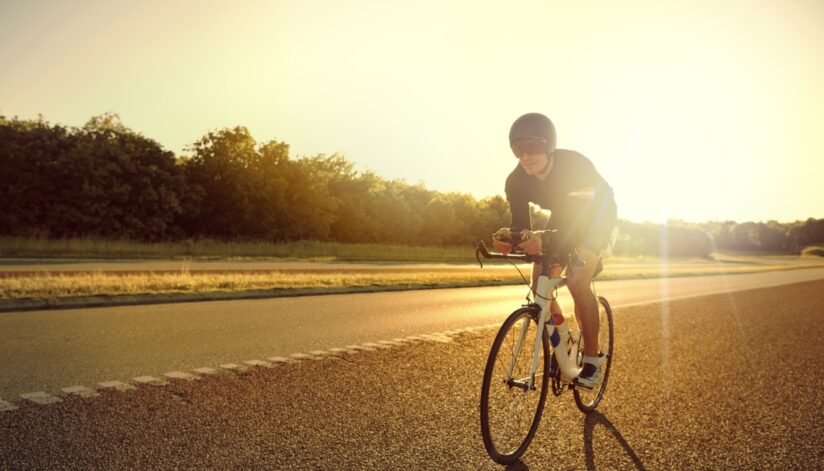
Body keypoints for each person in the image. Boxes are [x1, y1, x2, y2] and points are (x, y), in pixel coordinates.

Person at [491, 112, 617, 389]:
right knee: (539, 283)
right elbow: (522, 226)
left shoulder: (576, 166)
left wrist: (544, 240)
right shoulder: (516, 181)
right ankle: (564, 339)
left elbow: (579, 224)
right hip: (565, 215)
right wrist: (509, 239)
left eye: (533, 147)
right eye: (518, 149)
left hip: (596, 215)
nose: (525, 156)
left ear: (548, 146)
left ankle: (592, 360)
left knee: (576, 279)